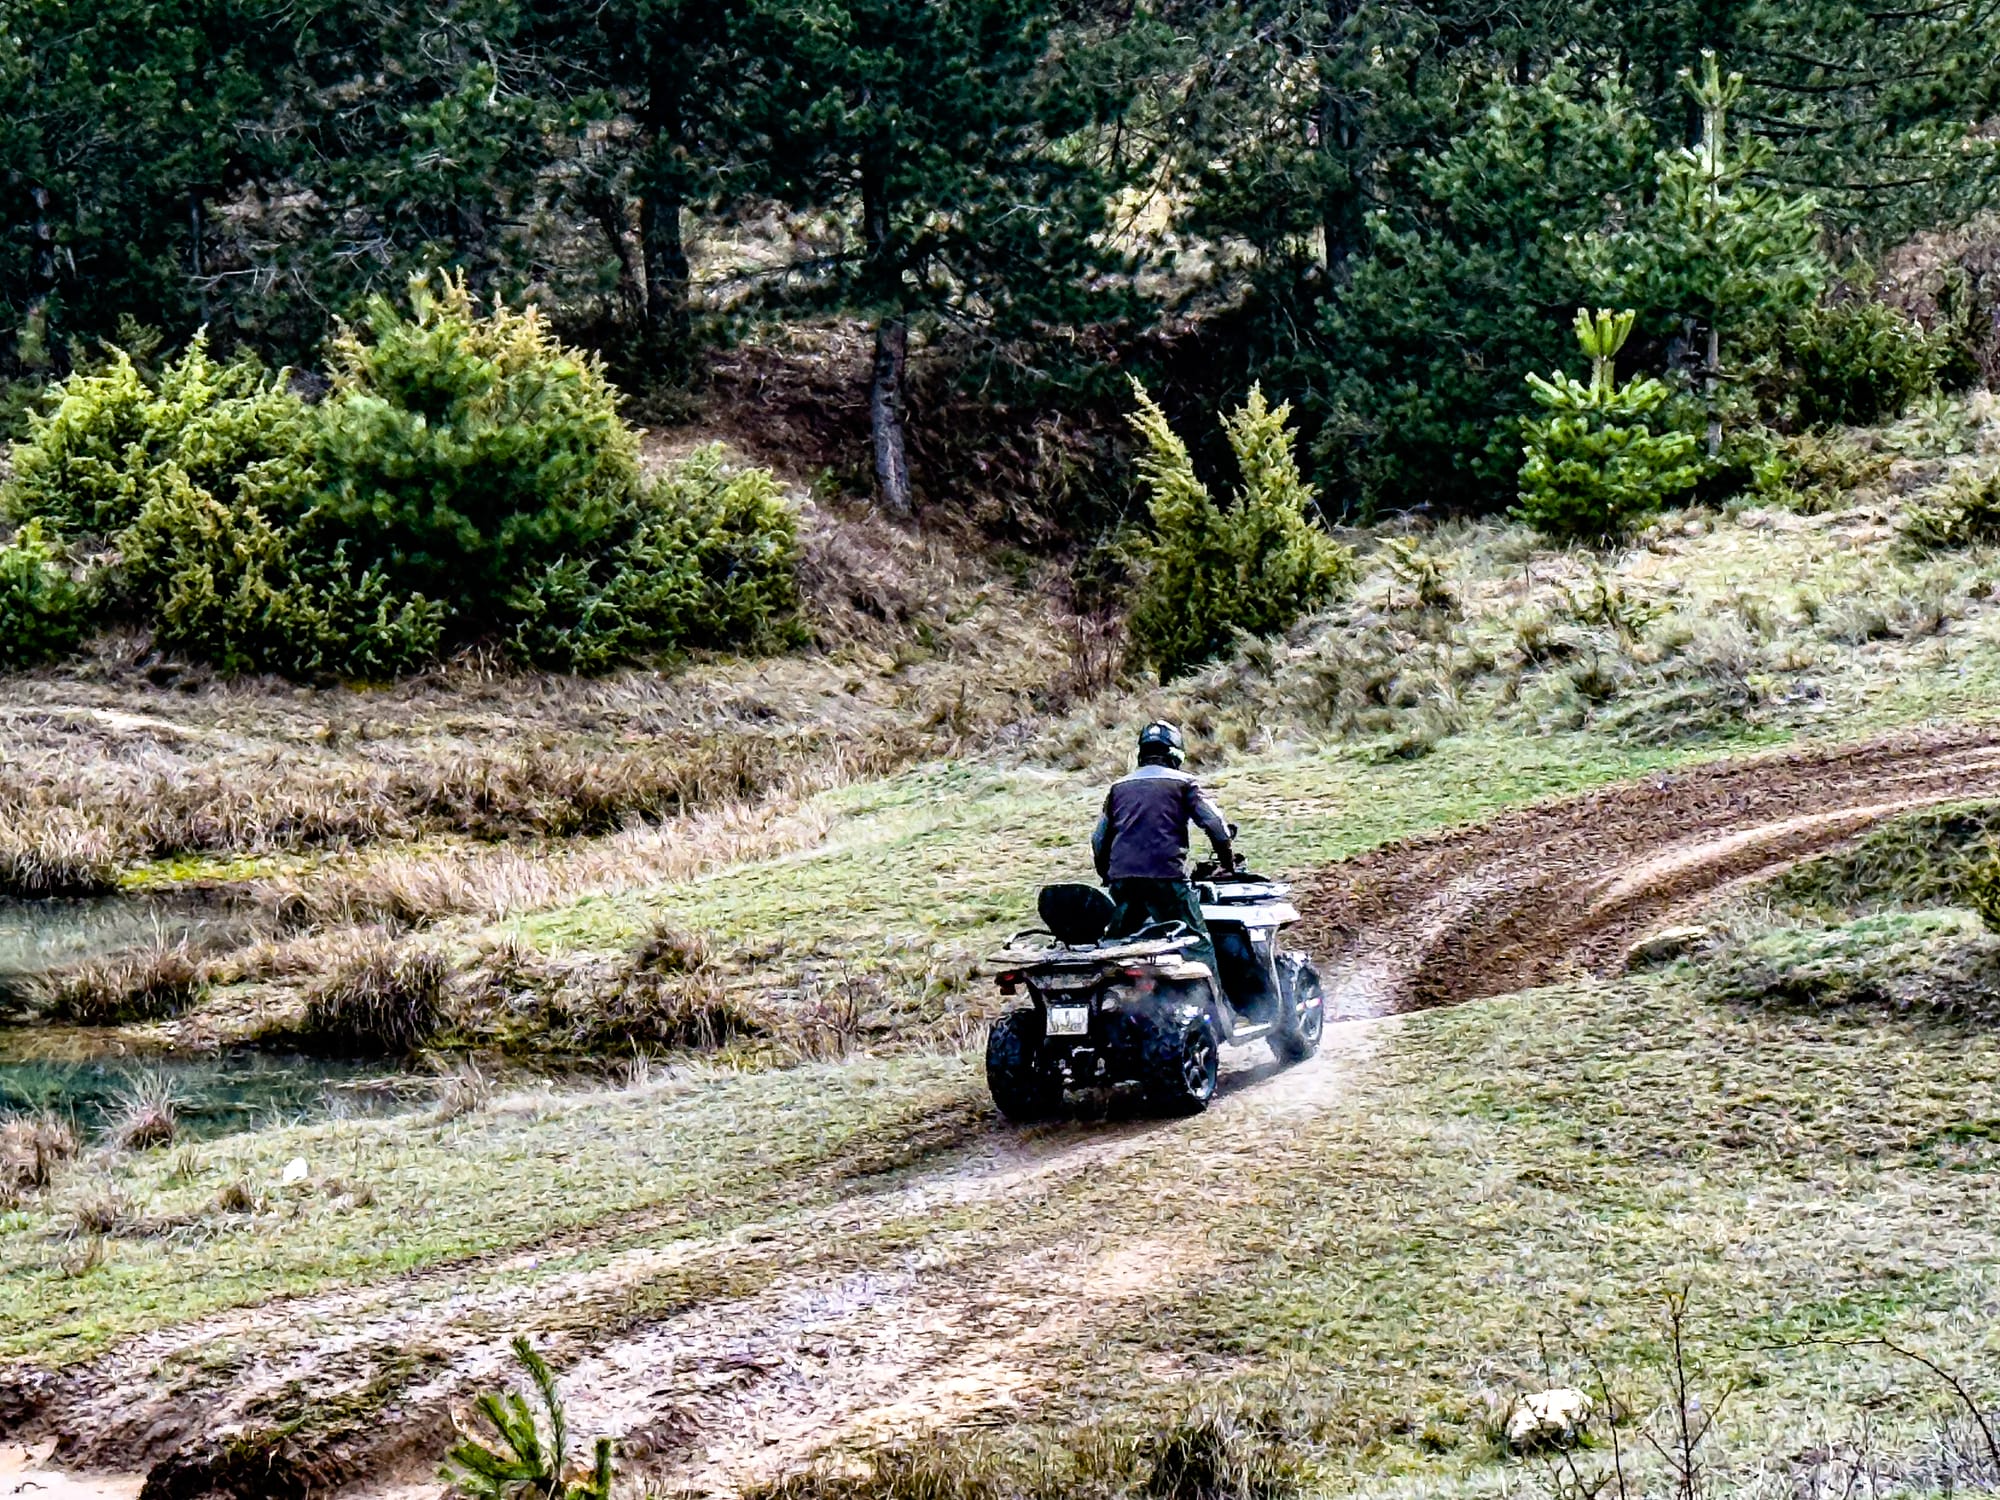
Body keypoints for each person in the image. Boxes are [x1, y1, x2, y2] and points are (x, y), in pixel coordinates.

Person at [1091, 721, 1234, 978]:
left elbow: (1099, 839)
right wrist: (1227, 863)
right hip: (1167, 878)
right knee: (1196, 943)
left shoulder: (1119, 787)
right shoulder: (1184, 783)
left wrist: (1107, 876)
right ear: (1176, 754)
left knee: (1117, 946)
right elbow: (1216, 826)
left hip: (1123, 880)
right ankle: (1218, 1010)